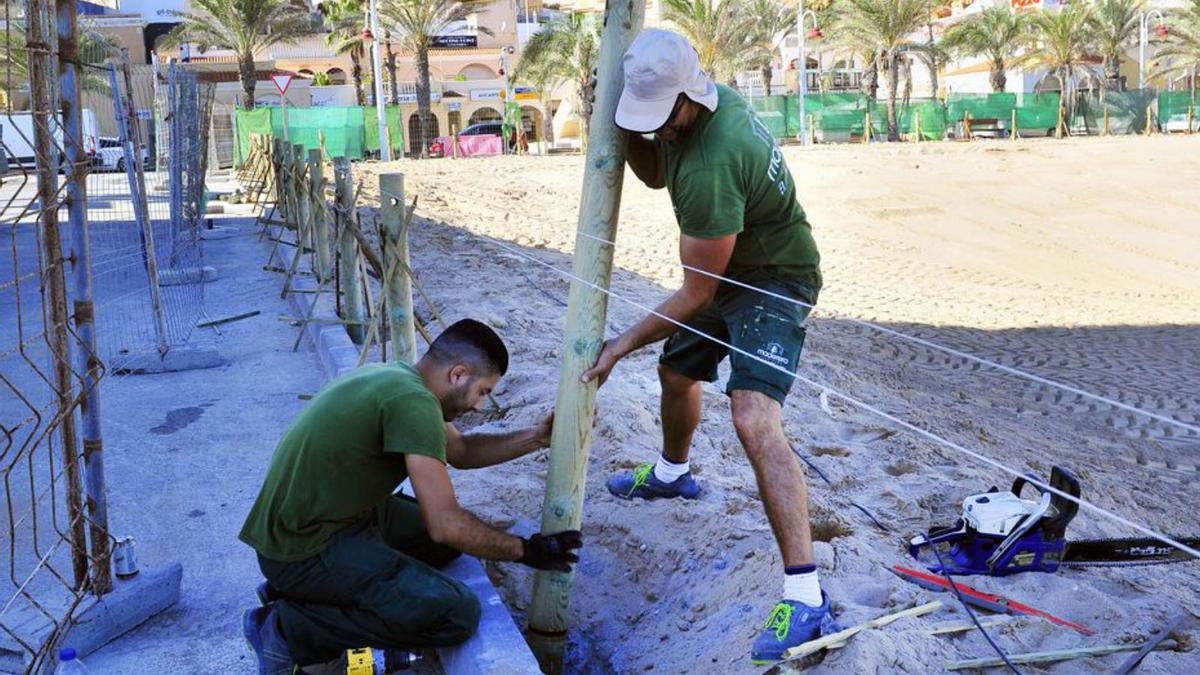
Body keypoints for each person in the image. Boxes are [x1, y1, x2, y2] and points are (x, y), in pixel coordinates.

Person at [580, 30, 832, 664]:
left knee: (752, 417)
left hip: (773, 280)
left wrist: (620, 343)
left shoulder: (713, 163)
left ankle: (805, 596)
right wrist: (632, 131)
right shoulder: (698, 112)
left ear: (688, 98)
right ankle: (672, 475)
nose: (657, 129)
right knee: (677, 373)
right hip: (727, 270)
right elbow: (655, 169)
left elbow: (698, 291)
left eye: (661, 118)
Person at [239, 319, 582, 674]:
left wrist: (537, 438)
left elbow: (461, 450)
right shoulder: (413, 402)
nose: (481, 406)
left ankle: (314, 592)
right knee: (455, 613)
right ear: (458, 373)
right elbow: (445, 523)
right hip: (301, 548)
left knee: (447, 547)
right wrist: (527, 551)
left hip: (328, 518)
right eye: (482, 391)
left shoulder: (402, 379)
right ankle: (285, 629)